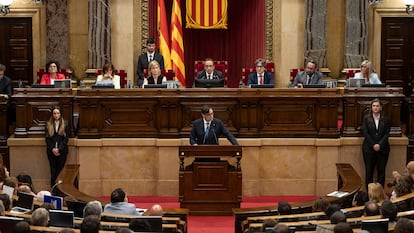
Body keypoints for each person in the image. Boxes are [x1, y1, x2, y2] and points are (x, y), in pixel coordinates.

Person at [362, 98, 390, 188]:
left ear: (381, 107)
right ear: (371, 107)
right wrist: (373, 144)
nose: (375, 108)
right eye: (374, 106)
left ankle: (380, 194)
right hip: (369, 149)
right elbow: (366, 133)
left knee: (381, 172)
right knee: (369, 172)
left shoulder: (385, 118)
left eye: (377, 106)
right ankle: (369, 194)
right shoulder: (366, 118)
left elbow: (387, 133)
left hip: (383, 149)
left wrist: (379, 145)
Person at [45, 106, 71, 189]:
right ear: (52, 115)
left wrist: (59, 149)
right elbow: (47, 139)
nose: (56, 115)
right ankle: (53, 190)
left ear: (60, 114)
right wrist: (53, 149)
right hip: (51, 152)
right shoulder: (48, 124)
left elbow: (66, 139)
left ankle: (60, 190)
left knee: (60, 172)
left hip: (62, 152)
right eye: (54, 113)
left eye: (58, 113)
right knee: (53, 172)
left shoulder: (65, 124)